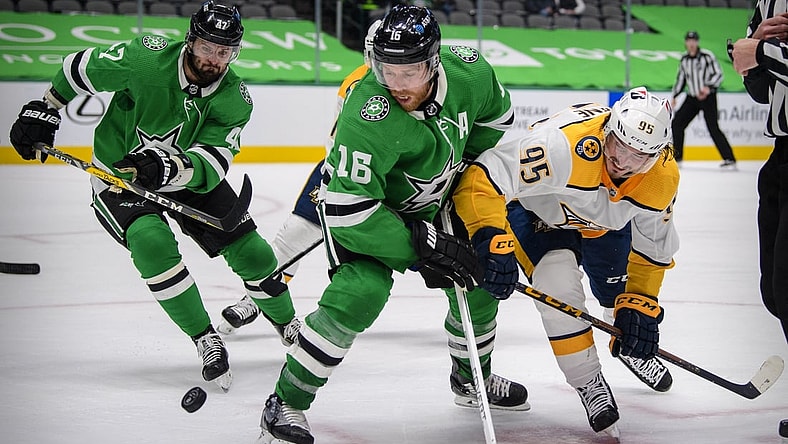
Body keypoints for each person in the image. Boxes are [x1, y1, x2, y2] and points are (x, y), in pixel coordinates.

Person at [255, 6, 528, 443]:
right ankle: (285, 402)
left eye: (410, 71)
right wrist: (425, 250)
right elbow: (349, 211)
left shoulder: (470, 73)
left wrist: (466, 199)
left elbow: (498, 132)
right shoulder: (368, 112)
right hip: (366, 211)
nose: (398, 84)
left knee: (476, 287)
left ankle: (470, 379)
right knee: (360, 293)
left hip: (435, 201)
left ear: (434, 59)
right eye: (387, 70)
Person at [7, 1, 301, 392]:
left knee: (254, 254)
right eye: (208, 47)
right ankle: (204, 338)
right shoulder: (145, 59)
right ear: (190, 41)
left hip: (185, 177)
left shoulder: (235, 99)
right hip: (118, 178)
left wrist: (168, 167)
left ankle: (288, 324)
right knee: (151, 243)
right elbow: (79, 68)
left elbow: (214, 161)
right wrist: (46, 108)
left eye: (225, 51)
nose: (215, 59)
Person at [452, 87, 679, 438]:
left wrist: (641, 304)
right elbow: (485, 177)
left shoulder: (661, 179)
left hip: (603, 222)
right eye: (618, 144)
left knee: (621, 296)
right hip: (540, 213)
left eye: (638, 156)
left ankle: (628, 345)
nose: (622, 162)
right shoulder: (562, 147)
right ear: (607, 129)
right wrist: (489, 236)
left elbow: (653, 250)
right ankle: (589, 381)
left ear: (657, 156)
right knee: (559, 294)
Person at [731, 0, 788, 363]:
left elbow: (759, 53)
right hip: (781, 155)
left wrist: (760, 51)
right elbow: (764, 92)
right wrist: (752, 64)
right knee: (775, 292)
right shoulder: (765, 2)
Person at [671, 31, 737, 169]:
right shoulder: (684, 59)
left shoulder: (707, 56)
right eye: (689, 41)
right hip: (692, 97)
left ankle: (729, 158)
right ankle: (678, 158)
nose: (691, 43)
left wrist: (708, 87)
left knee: (713, 127)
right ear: (685, 43)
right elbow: (681, 79)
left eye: (693, 40)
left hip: (708, 97)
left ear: (697, 42)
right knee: (677, 124)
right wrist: (674, 96)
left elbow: (718, 74)